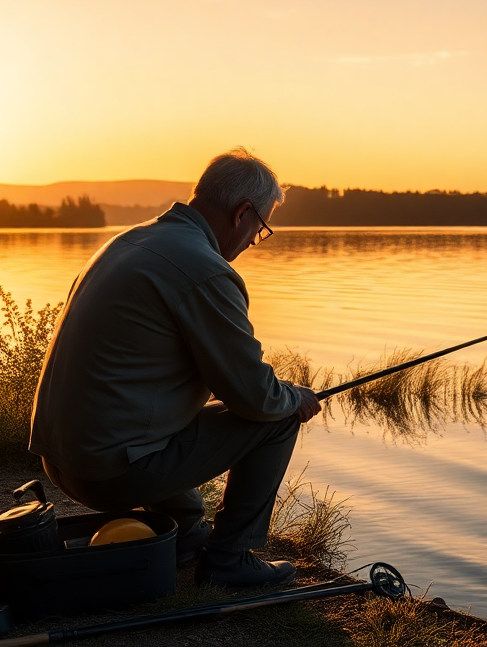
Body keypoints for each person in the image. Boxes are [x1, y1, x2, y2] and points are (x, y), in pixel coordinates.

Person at [29, 147, 321, 588]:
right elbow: (254, 397)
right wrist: (293, 397)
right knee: (277, 419)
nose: (251, 242)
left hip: (58, 458)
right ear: (243, 213)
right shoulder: (204, 270)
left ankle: (185, 532)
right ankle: (228, 559)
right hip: (105, 475)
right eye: (260, 229)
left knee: (191, 416)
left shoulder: (131, 240)